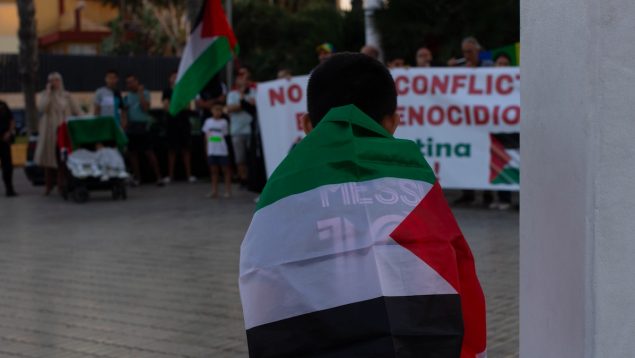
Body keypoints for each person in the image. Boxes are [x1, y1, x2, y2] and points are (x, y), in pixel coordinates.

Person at [239, 53, 486, 357]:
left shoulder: (279, 194)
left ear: (306, 124)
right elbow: (461, 287)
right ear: (393, 122)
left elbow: (264, 286)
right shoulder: (419, 188)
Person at [449, 36, 494, 206]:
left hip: (483, 121)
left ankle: (487, 195)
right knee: (466, 157)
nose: (467, 55)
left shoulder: (489, 67)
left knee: (484, 156)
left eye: (470, 51)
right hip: (465, 123)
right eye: (464, 52)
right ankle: (467, 193)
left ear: (478, 51)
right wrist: (450, 71)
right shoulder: (459, 68)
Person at [35, 72, 83, 195]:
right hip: (49, 131)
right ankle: (48, 186)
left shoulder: (67, 96)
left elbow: (77, 111)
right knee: (49, 159)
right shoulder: (45, 95)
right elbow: (41, 108)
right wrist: (48, 93)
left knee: (63, 158)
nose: (54, 83)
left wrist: (87, 119)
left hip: (64, 129)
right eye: (51, 80)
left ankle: (62, 184)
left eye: (56, 80)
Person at [124, 74, 163, 186]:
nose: (129, 85)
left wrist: (140, 93)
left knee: (149, 152)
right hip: (132, 126)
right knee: (133, 153)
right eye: (128, 83)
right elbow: (125, 112)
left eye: (131, 82)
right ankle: (137, 177)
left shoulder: (145, 93)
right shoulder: (127, 97)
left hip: (143, 125)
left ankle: (158, 177)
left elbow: (145, 108)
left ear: (137, 82)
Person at [162, 71, 196, 184]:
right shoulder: (167, 91)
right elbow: (167, 107)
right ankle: (170, 176)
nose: (175, 79)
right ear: (169, 79)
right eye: (173, 77)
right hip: (171, 124)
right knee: (171, 150)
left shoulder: (185, 90)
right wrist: (177, 105)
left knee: (186, 149)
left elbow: (187, 106)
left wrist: (176, 104)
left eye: (178, 77)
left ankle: (189, 175)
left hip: (184, 123)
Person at [226, 68, 256, 187]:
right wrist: (244, 103)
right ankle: (242, 179)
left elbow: (255, 105)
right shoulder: (232, 94)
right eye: (241, 76)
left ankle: (251, 179)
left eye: (246, 77)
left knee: (251, 157)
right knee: (240, 158)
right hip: (237, 130)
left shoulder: (254, 91)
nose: (244, 79)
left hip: (251, 130)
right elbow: (230, 108)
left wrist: (241, 104)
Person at [202, 104, 232, 198]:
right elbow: (206, 137)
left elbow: (224, 135)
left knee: (225, 171)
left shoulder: (224, 122)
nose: (217, 112)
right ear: (212, 111)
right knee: (214, 172)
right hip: (212, 151)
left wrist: (215, 139)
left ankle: (228, 191)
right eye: (215, 110)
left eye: (219, 110)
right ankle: (214, 191)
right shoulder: (208, 121)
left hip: (222, 150)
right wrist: (207, 149)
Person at [0, 100, 17, 197]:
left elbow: (12, 120)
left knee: (8, 167)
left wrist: (9, 132)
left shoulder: (3, 104)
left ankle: (9, 189)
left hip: (4, 141)